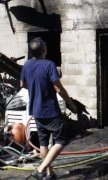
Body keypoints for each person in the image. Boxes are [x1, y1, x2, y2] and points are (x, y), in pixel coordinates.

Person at [20, 37, 77, 180]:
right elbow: (58, 88)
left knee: (44, 143)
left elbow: (22, 84)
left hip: (36, 111)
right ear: (44, 49)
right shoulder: (49, 65)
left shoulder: (26, 65)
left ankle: (49, 174)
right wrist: (71, 104)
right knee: (61, 141)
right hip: (50, 110)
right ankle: (40, 169)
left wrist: (36, 87)